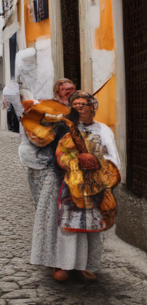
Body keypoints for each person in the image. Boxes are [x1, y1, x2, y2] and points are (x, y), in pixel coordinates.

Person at [55, 91, 121, 280]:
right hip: (73, 187)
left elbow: (112, 156)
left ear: (93, 107)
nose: (79, 107)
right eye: (75, 104)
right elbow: (61, 154)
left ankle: (90, 266)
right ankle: (68, 265)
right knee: (70, 227)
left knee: (94, 229)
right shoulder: (67, 129)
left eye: (83, 104)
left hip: (96, 187)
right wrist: (77, 161)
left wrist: (96, 163)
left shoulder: (103, 130)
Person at [19, 78, 77, 282]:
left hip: (74, 170)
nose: (70, 92)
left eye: (72, 89)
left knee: (76, 215)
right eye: (66, 90)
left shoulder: (78, 108)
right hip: (48, 169)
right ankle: (55, 261)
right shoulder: (44, 109)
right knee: (50, 215)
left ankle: (77, 261)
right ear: (57, 92)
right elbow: (36, 136)